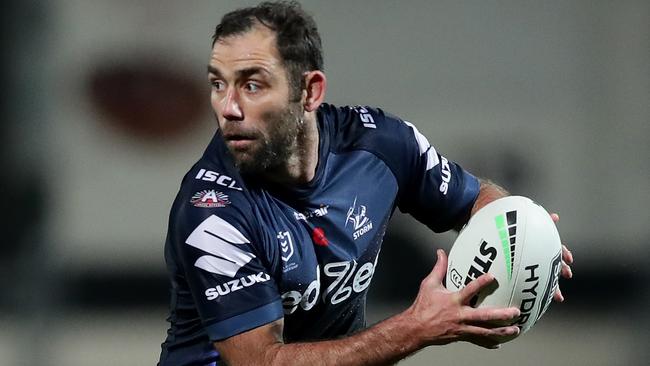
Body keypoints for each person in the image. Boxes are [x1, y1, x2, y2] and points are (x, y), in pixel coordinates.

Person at [158, 2, 574, 365]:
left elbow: (475, 201)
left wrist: (519, 236)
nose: (228, 108)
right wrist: (416, 327)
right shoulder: (211, 211)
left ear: (309, 91)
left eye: (252, 85)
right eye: (218, 84)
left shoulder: (381, 144)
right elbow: (262, 361)